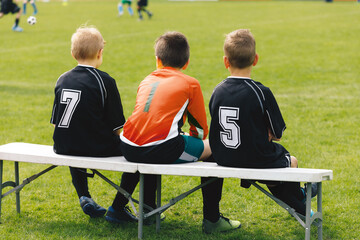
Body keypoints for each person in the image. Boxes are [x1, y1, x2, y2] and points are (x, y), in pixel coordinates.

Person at [105, 32, 239, 229]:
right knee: (213, 147)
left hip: (127, 145)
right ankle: (212, 219)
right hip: (161, 147)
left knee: (148, 145)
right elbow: (200, 129)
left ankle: (135, 209)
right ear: (186, 63)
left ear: (157, 60)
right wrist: (194, 144)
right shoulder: (190, 83)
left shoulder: (146, 79)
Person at [201, 29, 316, 233]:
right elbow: (277, 133)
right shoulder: (260, 92)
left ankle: (211, 217)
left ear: (225, 61)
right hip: (255, 158)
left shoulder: (217, 91)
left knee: (212, 160)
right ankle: (303, 205)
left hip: (223, 157)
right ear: (255, 59)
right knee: (291, 162)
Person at [50, 26, 128, 219]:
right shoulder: (105, 81)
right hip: (97, 147)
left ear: (72, 53)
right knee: (141, 152)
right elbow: (118, 128)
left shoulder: (62, 79)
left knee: (76, 137)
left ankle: (84, 195)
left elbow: (55, 123)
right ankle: (118, 207)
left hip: (62, 146)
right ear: (100, 53)